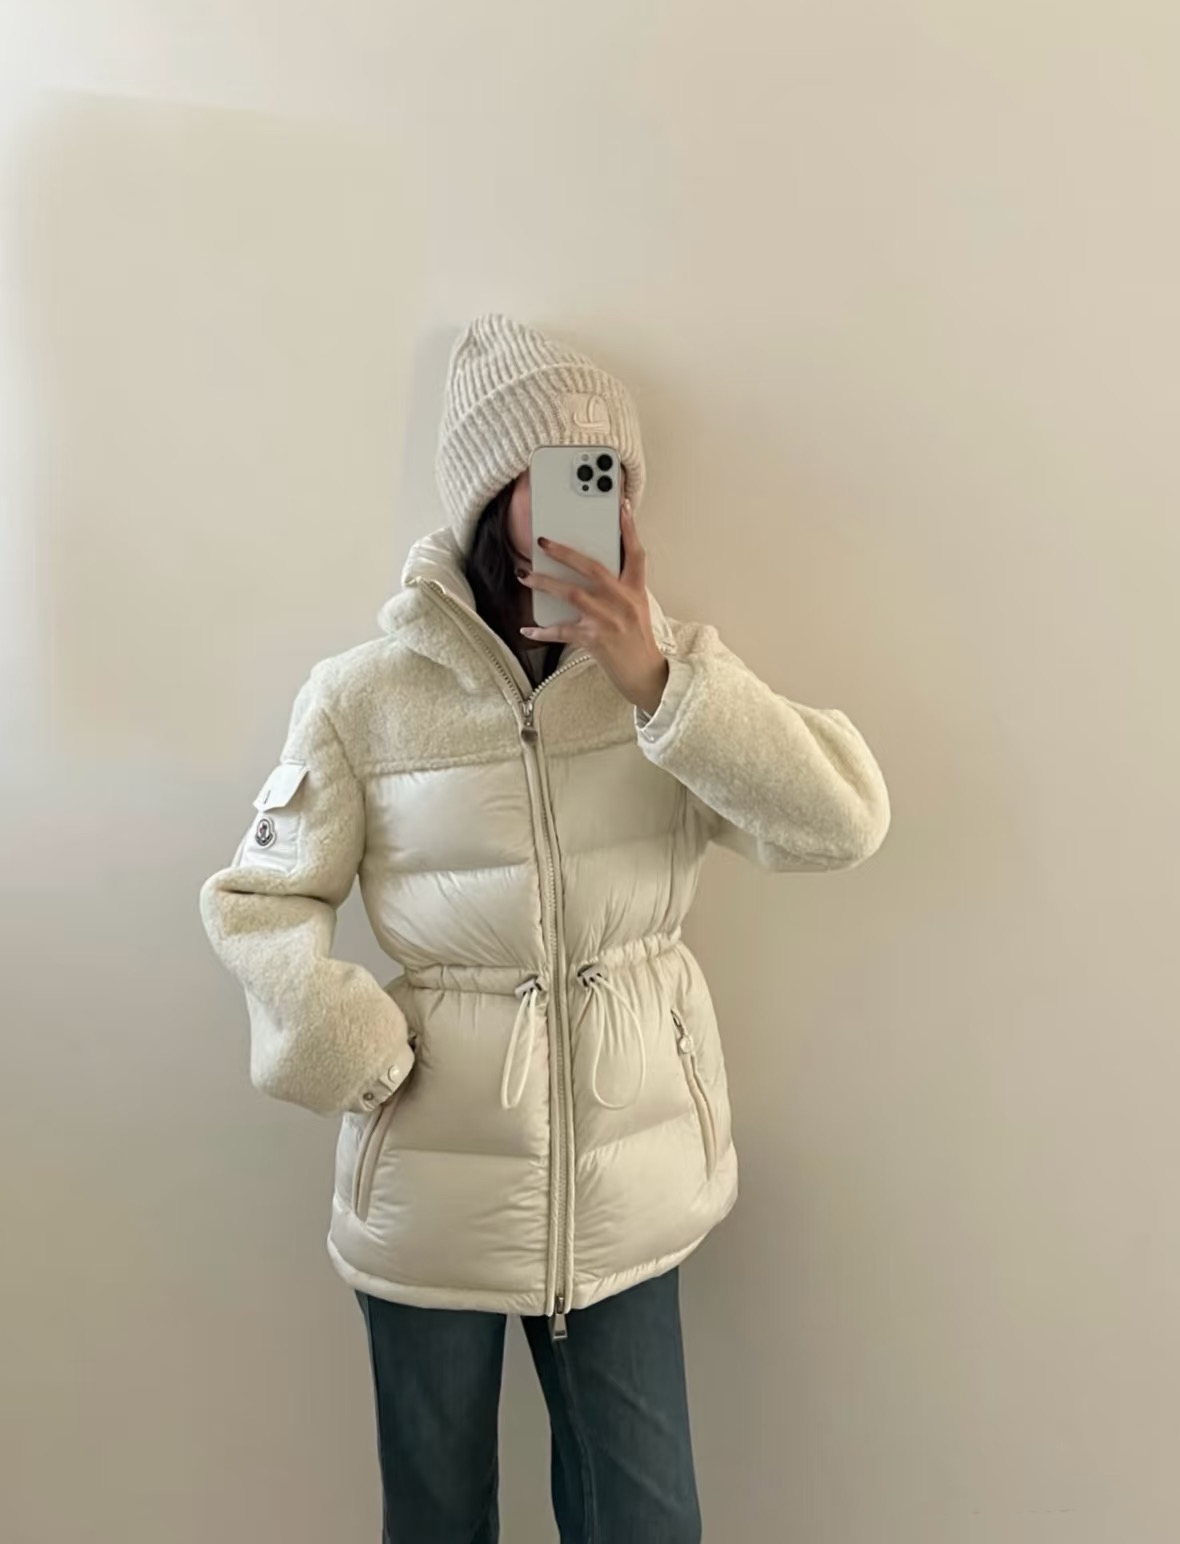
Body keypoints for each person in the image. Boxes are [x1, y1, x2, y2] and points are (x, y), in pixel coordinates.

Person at [200, 314, 890, 1543]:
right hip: (428, 1185)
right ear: (488, 494)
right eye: (561, 471)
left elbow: (842, 823)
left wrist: (660, 687)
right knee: (437, 1520)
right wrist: (343, 1040)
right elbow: (258, 898)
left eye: (608, 472)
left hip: (628, 1192)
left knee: (646, 1522)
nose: (593, 497)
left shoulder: (670, 680)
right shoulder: (363, 697)